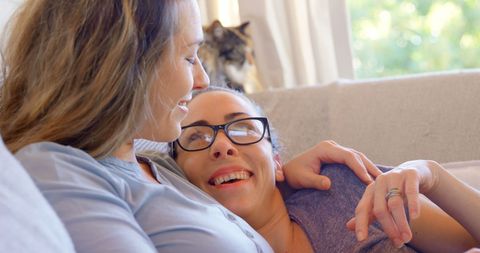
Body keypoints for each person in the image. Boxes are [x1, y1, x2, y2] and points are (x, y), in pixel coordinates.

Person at [0, 0, 380, 252]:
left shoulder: (156, 164)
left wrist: (279, 174)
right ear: (126, 68)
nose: (201, 80)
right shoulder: (58, 169)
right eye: (188, 57)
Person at [170, 87, 480, 252]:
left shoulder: (337, 186)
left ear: (277, 161)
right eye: (195, 136)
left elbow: (469, 240)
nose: (222, 146)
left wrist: (429, 173)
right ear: (177, 173)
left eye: (243, 128)